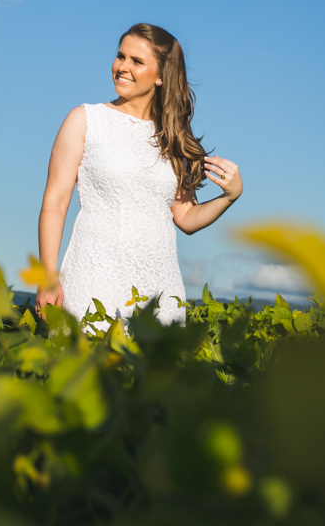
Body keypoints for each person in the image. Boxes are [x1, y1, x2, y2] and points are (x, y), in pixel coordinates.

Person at [36, 23, 243, 328]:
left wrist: (230, 196)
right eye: (121, 56)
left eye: (137, 61)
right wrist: (48, 276)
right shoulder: (84, 120)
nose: (122, 67)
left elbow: (186, 217)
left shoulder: (173, 138)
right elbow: (55, 202)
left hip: (160, 288)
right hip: (93, 277)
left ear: (161, 76)